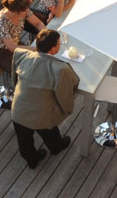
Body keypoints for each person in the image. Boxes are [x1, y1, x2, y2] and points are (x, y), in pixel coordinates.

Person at [10, 29, 78, 168]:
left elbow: (14, 77)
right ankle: (56, 147)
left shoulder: (22, 55)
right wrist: (67, 109)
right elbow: (67, 92)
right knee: (50, 131)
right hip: (42, 114)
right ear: (53, 49)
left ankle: (32, 160)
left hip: (18, 110)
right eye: (58, 44)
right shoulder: (60, 69)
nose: (59, 45)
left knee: (24, 141)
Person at [0, 0, 44, 73]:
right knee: (23, 73)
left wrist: (47, 34)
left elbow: (38, 23)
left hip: (16, 44)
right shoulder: (1, 22)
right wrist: (36, 49)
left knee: (37, 62)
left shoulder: (23, 9)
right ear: (16, 11)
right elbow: (12, 47)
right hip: (1, 52)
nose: (27, 11)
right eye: (24, 11)